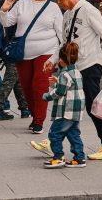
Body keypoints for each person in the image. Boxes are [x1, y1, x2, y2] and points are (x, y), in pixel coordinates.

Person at [33, 0, 102, 161]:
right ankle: (54, 139)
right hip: (70, 67)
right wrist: (52, 60)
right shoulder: (67, 14)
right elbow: (64, 41)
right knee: (63, 103)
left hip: (89, 64)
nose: (58, 2)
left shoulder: (89, 10)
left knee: (92, 105)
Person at [0, 0, 63, 134]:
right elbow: (7, 22)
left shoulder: (53, 8)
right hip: (24, 52)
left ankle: (39, 121)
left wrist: (61, 54)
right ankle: (35, 116)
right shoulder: (22, 4)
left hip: (47, 51)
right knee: (26, 87)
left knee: (39, 85)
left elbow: (62, 33)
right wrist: (4, 9)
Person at [0, 0, 31, 121]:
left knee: (15, 76)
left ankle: (25, 108)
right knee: (10, 78)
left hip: (0, 45)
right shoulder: (22, 5)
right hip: (16, 45)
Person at [41, 41, 86, 169]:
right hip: (76, 110)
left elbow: (60, 92)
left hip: (66, 110)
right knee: (73, 134)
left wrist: (46, 96)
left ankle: (58, 157)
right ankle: (79, 158)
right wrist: (57, 82)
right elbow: (70, 88)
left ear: (61, 60)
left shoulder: (64, 74)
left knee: (54, 133)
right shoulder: (77, 72)